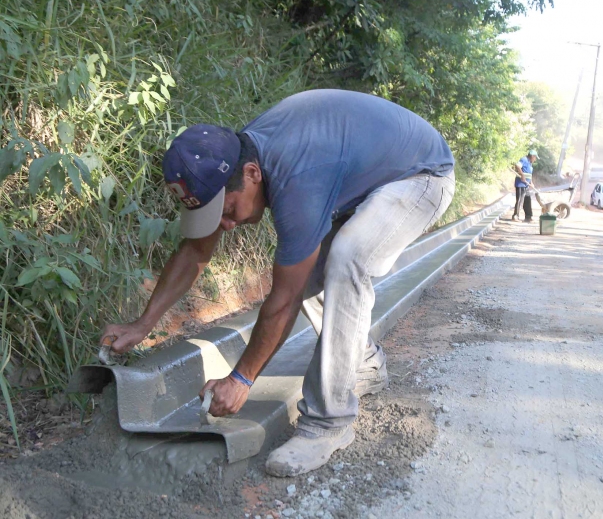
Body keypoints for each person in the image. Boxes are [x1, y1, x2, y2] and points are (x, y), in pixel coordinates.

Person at [99, 90, 455, 476]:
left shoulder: (297, 178)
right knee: (312, 272)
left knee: (345, 260)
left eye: (229, 210)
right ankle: (364, 363)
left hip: (422, 176)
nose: (228, 225)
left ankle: (327, 423)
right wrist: (144, 323)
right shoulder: (230, 158)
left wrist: (241, 378)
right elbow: (195, 252)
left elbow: (283, 300)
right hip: (365, 175)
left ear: (252, 175)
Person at [512, 149, 537, 222]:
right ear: (532, 156)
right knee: (520, 200)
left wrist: (531, 182)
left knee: (527, 199)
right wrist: (522, 175)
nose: (535, 159)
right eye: (535, 158)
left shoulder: (530, 163)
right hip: (520, 184)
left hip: (526, 185)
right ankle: (515, 216)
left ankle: (528, 216)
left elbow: (529, 174)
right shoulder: (524, 159)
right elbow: (517, 165)